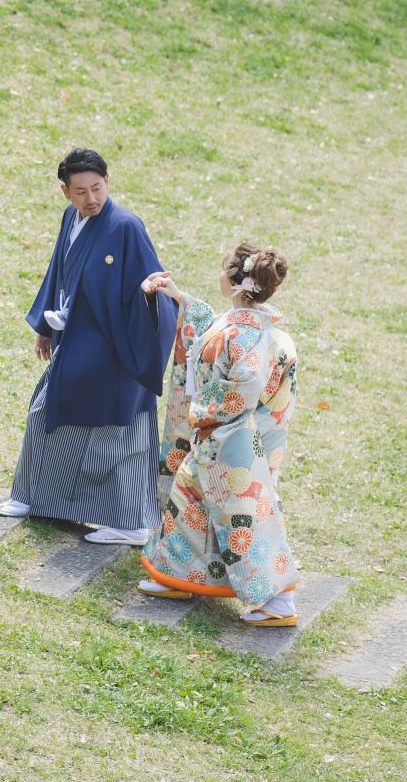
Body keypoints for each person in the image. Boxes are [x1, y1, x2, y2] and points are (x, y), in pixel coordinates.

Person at [0, 148, 177, 545]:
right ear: (66, 192)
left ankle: (130, 522)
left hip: (115, 344)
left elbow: (152, 285)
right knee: (47, 412)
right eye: (80, 191)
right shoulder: (70, 217)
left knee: (118, 433)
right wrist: (46, 325)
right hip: (77, 336)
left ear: (108, 181)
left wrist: (147, 301)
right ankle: (35, 497)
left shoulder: (126, 226)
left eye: (97, 188)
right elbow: (59, 269)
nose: (91, 198)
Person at [134, 245, 301, 626]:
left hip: (229, 437)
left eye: (225, 270)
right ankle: (178, 575)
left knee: (245, 518)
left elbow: (245, 381)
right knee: (191, 502)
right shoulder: (260, 331)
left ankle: (278, 600)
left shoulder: (240, 334)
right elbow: (211, 331)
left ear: (238, 281)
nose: (220, 275)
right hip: (237, 436)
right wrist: (180, 298)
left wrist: (205, 412)